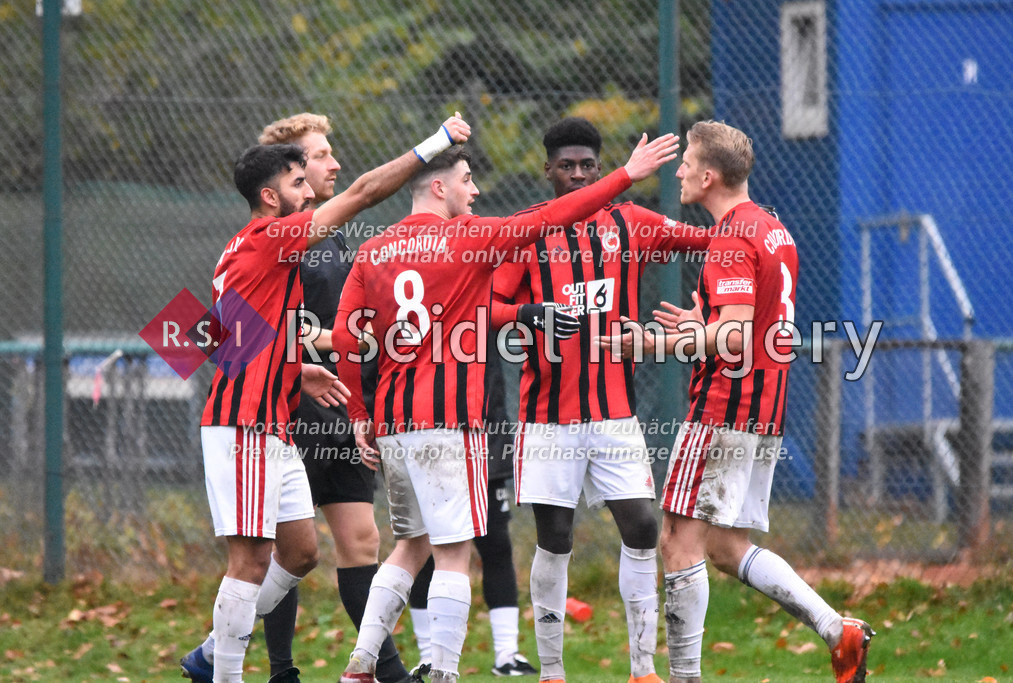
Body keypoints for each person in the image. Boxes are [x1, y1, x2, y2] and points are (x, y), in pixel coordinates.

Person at [333, 132, 680, 683]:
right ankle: (443, 672)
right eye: (467, 181)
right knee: (452, 554)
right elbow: (553, 216)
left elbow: (345, 339)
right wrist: (625, 176)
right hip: (451, 422)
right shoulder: (470, 237)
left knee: (408, 547)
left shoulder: (372, 249)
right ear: (439, 187)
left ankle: (360, 663)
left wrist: (359, 415)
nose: (474, 192)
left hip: (394, 423)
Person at [180, 113, 472, 683]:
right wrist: (437, 142)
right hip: (244, 424)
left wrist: (295, 369)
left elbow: (222, 331)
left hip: (279, 421)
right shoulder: (270, 236)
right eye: (301, 177)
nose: (315, 183)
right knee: (250, 561)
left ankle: (213, 653)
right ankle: (230, 671)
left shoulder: (275, 245)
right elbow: (364, 194)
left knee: (300, 553)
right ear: (271, 195)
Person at [597, 120, 874, 683]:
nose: (678, 170)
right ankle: (837, 630)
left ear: (709, 176)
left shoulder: (730, 237)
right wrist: (703, 323)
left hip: (724, 406)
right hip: (764, 406)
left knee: (678, 542)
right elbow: (749, 320)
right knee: (725, 546)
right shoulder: (772, 229)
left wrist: (652, 343)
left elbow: (734, 336)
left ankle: (685, 678)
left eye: (686, 161)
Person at [489, 117, 710, 683]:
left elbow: (705, 240)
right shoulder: (527, 232)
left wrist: (750, 222)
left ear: (599, 167)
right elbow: (485, 307)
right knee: (555, 538)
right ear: (548, 170)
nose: (579, 174)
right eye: (567, 166)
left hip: (615, 415)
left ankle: (642, 669)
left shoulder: (630, 222)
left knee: (642, 526)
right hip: (548, 419)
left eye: (588, 165)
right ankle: (552, 672)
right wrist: (527, 314)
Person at [253, 113, 414, 683]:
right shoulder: (270, 238)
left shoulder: (334, 235)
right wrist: (312, 349)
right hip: (290, 413)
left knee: (362, 540)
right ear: (289, 171)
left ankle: (382, 671)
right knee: (291, 553)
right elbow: (223, 332)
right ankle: (280, 671)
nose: (334, 164)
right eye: (320, 156)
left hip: (345, 409)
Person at [407, 331, 538, 678]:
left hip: (485, 438)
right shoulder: (412, 307)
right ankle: (427, 656)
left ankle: (507, 654)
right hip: (427, 437)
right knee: (423, 548)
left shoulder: (483, 302)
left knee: (496, 544)